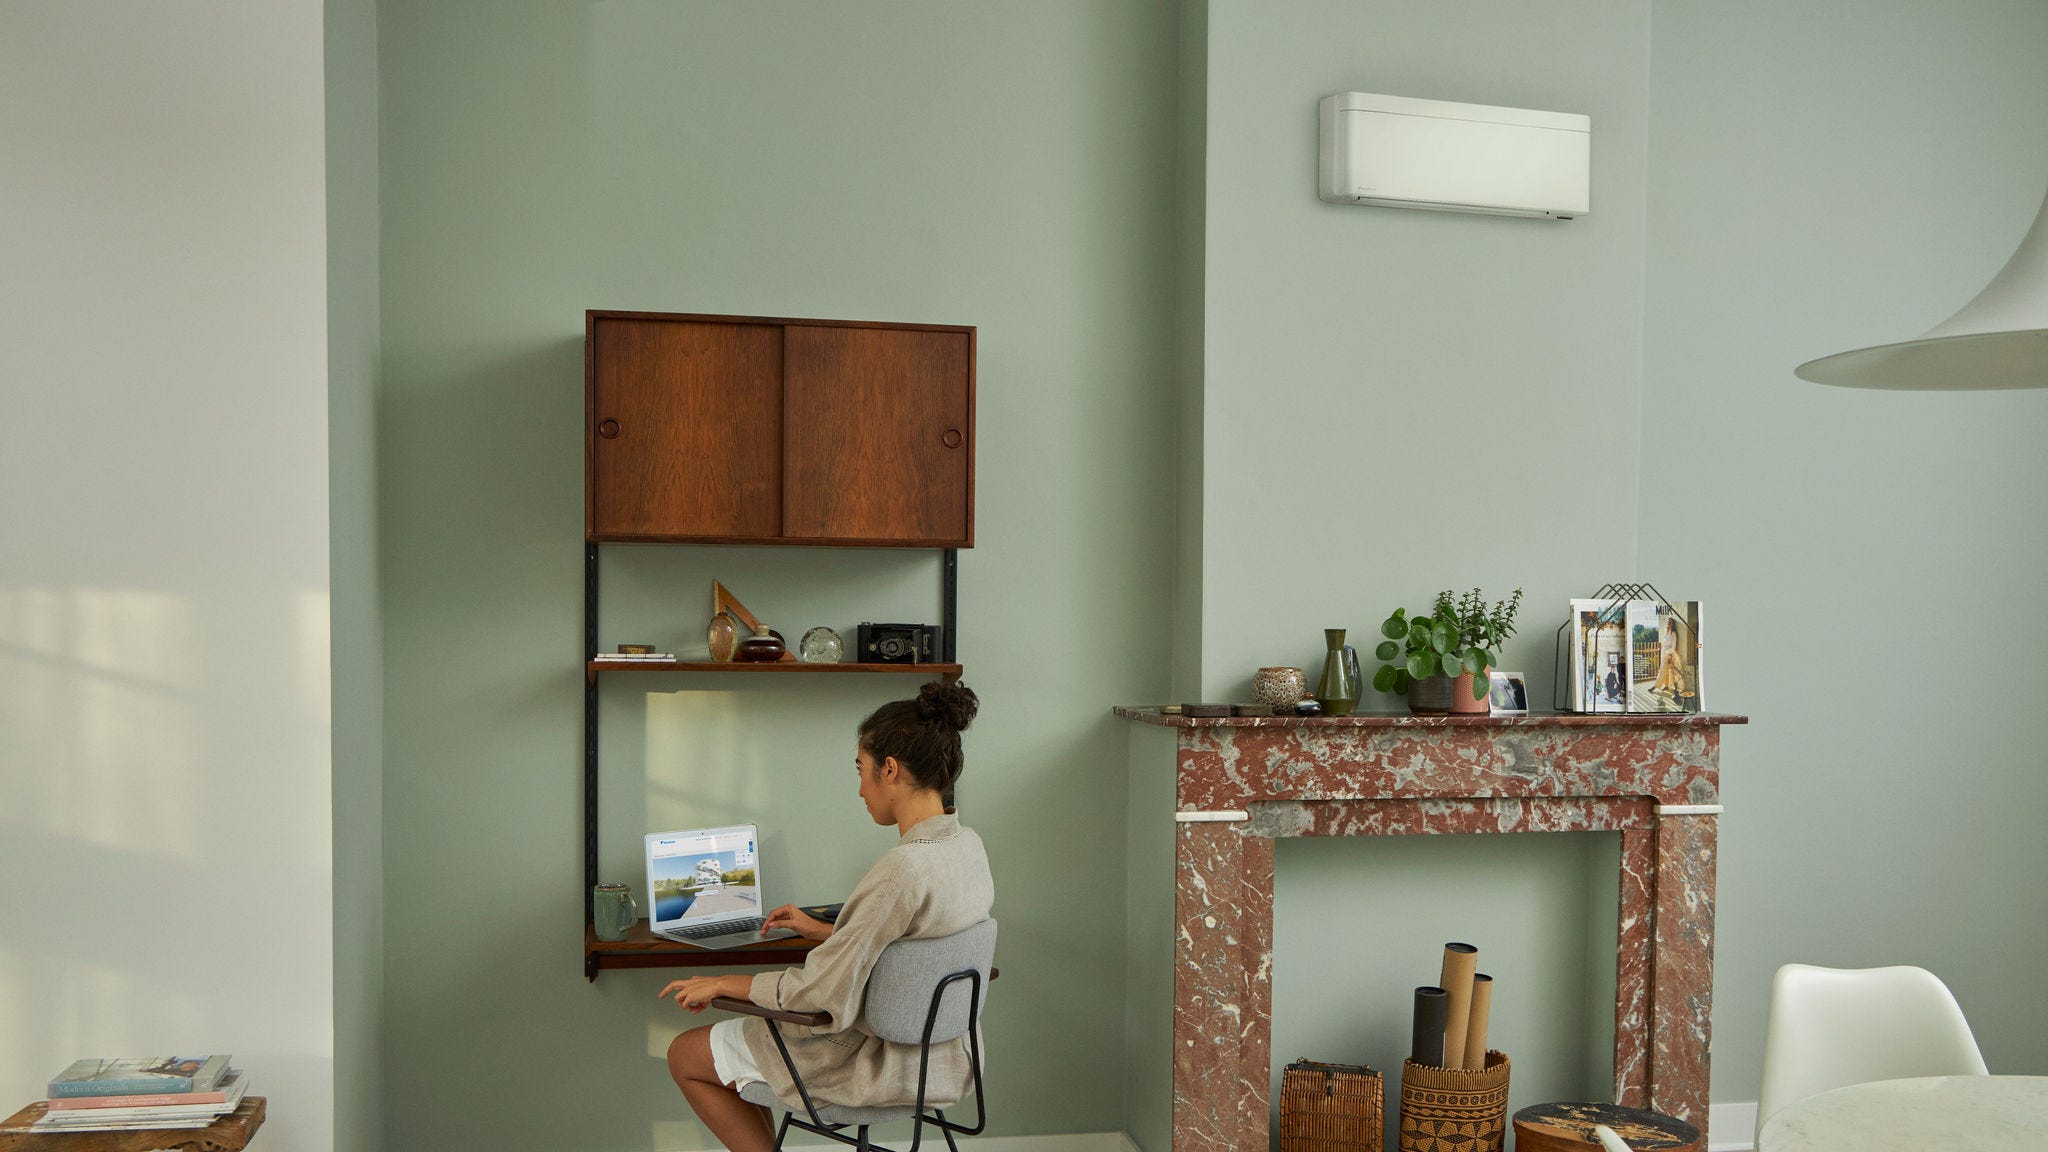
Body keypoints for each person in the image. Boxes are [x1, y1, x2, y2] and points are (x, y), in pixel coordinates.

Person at [659, 682, 992, 1152]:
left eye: (862, 770)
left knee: (683, 1054)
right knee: (737, 1056)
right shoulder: (966, 847)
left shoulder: (902, 869)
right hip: (945, 1056)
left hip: (874, 1063)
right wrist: (826, 931)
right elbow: (909, 948)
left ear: (890, 770)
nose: (860, 789)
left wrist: (725, 983)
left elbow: (821, 994)